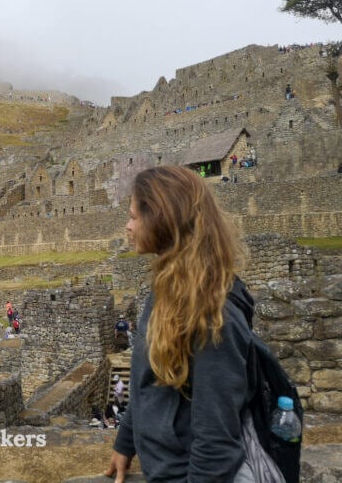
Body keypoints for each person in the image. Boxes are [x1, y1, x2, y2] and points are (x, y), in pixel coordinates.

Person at [105, 166, 255, 483]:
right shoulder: (166, 291)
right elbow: (147, 380)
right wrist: (126, 442)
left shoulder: (214, 317)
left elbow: (216, 443)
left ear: (161, 219)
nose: (127, 226)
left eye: (133, 217)